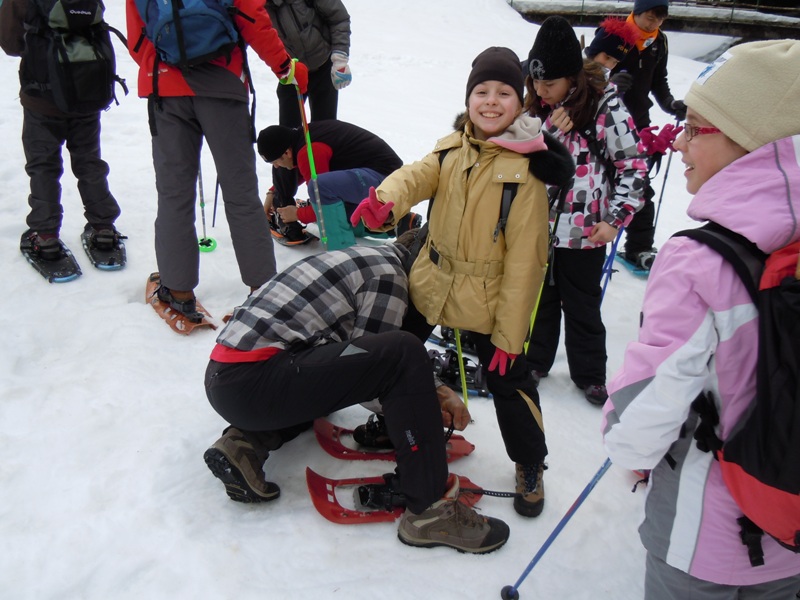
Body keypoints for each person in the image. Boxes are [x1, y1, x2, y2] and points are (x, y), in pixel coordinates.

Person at [602, 40, 800, 598]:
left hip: (704, 526)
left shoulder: (700, 258)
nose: (681, 143)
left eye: (694, 128)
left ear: (751, 144)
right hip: (792, 523)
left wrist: (625, 444)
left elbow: (644, 415)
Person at [350, 46, 576, 518]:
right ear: (468, 98)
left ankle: (530, 462)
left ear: (521, 103)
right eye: (481, 91)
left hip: (490, 300)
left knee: (508, 380)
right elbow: (416, 176)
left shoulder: (526, 173)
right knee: (394, 357)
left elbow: (526, 263)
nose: (491, 102)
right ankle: (399, 424)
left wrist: (511, 336)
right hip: (432, 281)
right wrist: (385, 200)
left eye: (503, 93)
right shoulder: (452, 148)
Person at [203, 230, 510, 554]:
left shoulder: (367, 259)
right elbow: (383, 376)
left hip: (230, 380)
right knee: (405, 351)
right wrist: (425, 409)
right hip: (258, 379)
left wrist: (432, 391)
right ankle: (429, 507)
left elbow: (356, 364)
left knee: (347, 368)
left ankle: (245, 443)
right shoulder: (391, 279)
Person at [125, 0, 308, 321]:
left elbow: (138, 40)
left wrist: (172, 63)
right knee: (241, 194)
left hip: (165, 90)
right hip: (224, 85)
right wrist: (285, 66)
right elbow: (253, 18)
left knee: (174, 195)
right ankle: (263, 290)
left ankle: (178, 291)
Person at [523, 16, 647, 405]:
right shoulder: (536, 108)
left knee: (582, 308)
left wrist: (615, 220)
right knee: (538, 301)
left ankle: (590, 373)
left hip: (587, 231)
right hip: (539, 229)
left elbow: (634, 168)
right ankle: (536, 360)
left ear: (572, 78)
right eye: (536, 82)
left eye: (550, 83)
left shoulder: (606, 108)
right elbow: (520, 159)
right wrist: (547, 131)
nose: (541, 91)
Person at [1, 0, 124, 266]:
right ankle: (103, 228)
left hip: (41, 98)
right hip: (86, 93)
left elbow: (10, 44)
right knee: (89, 162)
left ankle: (45, 236)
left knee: (43, 165)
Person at [265, 0, 352, 243]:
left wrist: (340, 56)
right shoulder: (257, 4)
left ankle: (329, 205)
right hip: (289, 71)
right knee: (286, 141)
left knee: (324, 137)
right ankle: (285, 208)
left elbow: (338, 17)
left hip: (323, 64)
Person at [610, 0, 686, 272]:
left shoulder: (659, 43)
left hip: (638, 125)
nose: (654, 23)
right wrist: (610, 83)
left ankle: (639, 248)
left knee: (640, 188)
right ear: (637, 12)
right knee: (603, 182)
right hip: (604, 121)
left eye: (660, 19)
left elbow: (658, 81)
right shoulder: (615, 34)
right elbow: (588, 72)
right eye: (650, 17)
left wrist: (671, 104)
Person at [257, 120, 406, 250]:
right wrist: (273, 192)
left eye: (275, 161)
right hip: (386, 177)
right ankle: (398, 222)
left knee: (326, 200)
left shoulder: (309, 152)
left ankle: (342, 251)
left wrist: (297, 214)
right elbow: (306, 173)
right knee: (334, 207)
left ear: (287, 153)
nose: (276, 166)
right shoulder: (303, 137)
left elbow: (321, 198)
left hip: (384, 179)